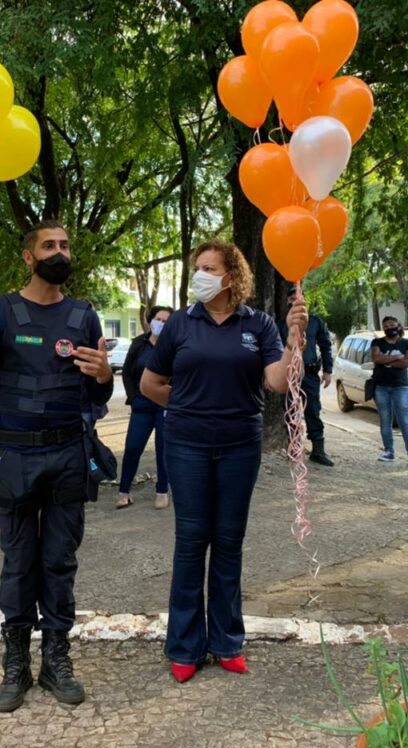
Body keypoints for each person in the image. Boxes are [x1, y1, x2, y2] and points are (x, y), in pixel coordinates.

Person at [0, 220, 113, 712]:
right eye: (49, 245)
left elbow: (96, 393)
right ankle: (16, 665)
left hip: (68, 455)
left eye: (65, 244)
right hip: (15, 456)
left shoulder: (84, 317)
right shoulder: (0, 311)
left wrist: (105, 377)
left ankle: (57, 659)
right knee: (18, 564)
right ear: (29, 257)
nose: (60, 252)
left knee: (60, 561)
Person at [140, 240, 307, 683]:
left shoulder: (260, 324)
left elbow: (275, 382)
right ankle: (184, 646)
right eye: (197, 267)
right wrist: (188, 404)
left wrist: (293, 342)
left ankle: (227, 641)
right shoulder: (180, 323)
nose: (200, 274)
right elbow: (149, 383)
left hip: (239, 445)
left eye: (209, 267)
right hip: (187, 444)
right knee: (192, 542)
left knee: (229, 541)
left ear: (231, 276)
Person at [117, 305, 173, 510]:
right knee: (133, 447)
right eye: (159, 319)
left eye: (167, 321)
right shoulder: (138, 344)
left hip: (164, 406)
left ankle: (162, 491)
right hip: (141, 405)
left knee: (163, 449)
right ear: (151, 321)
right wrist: (133, 397)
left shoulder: (174, 345)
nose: (161, 324)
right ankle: (124, 491)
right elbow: (127, 373)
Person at [279, 285, 335, 466]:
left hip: (310, 374)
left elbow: (326, 346)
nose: (299, 302)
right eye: (294, 299)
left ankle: (318, 450)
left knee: (313, 411)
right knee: (291, 412)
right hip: (288, 375)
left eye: (302, 299)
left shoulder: (316, 322)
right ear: (289, 301)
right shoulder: (281, 323)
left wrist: (327, 371)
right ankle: (295, 450)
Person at [370, 317, 408, 468]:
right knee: (385, 420)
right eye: (386, 326)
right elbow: (375, 358)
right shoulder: (377, 342)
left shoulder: (407, 343)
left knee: (404, 420)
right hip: (381, 386)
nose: (389, 328)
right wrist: (396, 357)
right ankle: (389, 451)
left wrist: (385, 359)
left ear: (398, 326)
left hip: (400, 387)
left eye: (392, 325)